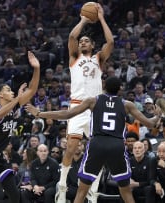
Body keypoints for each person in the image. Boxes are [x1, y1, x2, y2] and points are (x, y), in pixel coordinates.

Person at [26, 76, 161, 203]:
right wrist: (158, 115)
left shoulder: (93, 101)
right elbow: (150, 123)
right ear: (120, 89)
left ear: (104, 86)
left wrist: (39, 113)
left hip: (97, 144)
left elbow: (67, 114)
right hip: (117, 145)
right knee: (125, 190)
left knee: (82, 189)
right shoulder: (127, 104)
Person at [54, 3, 115, 203]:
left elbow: (111, 41)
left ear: (92, 45)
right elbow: (72, 37)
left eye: (86, 41)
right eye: (82, 41)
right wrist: (84, 19)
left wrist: (102, 19)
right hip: (78, 106)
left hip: (95, 107)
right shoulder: (74, 58)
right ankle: (61, 186)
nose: (82, 42)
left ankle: (93, 190)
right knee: (71, 147)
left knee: (98, 150)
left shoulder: (98, 59)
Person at [0, 51, 40, 203]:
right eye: (8, 90)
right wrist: (18, 97)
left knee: (15, 195)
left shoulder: (12, 106)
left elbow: (31, 90)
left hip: (0, 157)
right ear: (1, 95)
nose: (11, 92)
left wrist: (37, 69)